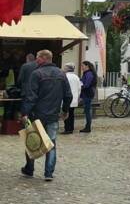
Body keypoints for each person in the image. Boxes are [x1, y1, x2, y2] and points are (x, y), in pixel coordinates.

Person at [19, 49, 72, 181]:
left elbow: (31, 96)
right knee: (51, 143)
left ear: (44, 58)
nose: (36, 60)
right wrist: (65, 110)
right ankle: (48, 173)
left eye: (38, 57)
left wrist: (24, 112)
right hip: (53, 115)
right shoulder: (61, 74)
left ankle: (29, 169)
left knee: (32, 140)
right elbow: (68, 95)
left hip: (37, 114)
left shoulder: (36, 74)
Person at [63, 64, 82, 134]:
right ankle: (71, 128)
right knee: (72, 114)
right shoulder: (76, 77)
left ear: (67, 69)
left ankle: (67, 129)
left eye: (64, 68)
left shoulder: (65, 76)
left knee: (66, 113)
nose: (63, 69)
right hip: (74, 99)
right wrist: (78, 96)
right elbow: (79, 88)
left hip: (67, 98)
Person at [79, 61, 97, 133]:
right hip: (87, 94)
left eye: (83, 66)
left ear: (87, 66)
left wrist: (80, 86)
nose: (82, 68)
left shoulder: (89, 74)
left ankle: (88, 127)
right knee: (87, 110)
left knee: (87, 111)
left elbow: (86, 85)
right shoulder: (87, 73)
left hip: (87, 94)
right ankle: (87, 126)